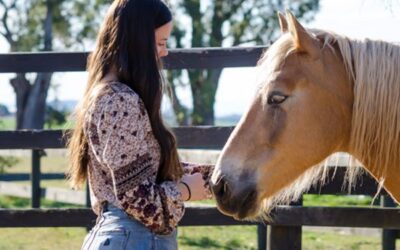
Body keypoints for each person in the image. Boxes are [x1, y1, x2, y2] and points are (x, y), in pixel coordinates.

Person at [66, 0, 213, 249]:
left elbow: (144, 171)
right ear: (137, 43)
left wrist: (219, 176)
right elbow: (138, 200)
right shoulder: (120, 102)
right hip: (134, 238)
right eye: (160, 43)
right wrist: (185, 191)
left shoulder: (109, 97)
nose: (165, 52)